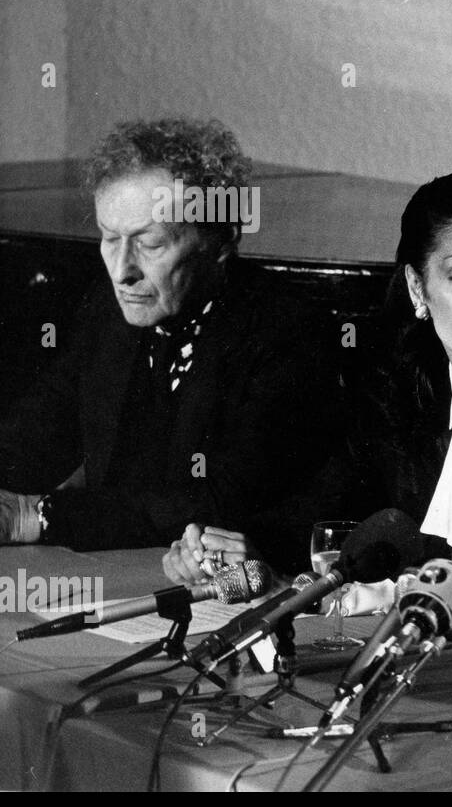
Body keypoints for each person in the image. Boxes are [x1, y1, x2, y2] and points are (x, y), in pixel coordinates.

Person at [162, 169, 452, 626]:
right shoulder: (399, 398)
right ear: (416, 288)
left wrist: (335, 597)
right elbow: (324, 512)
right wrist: (226, 548)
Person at [0, 118, 338, 563]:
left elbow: (216, 503)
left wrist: (36, 517)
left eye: (151, 244)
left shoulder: (286, 333)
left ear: (219, 241)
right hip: (120, 564)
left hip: (234, 585)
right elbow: (36, 433)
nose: (122, 271)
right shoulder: (108, 309)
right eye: (108, 238)